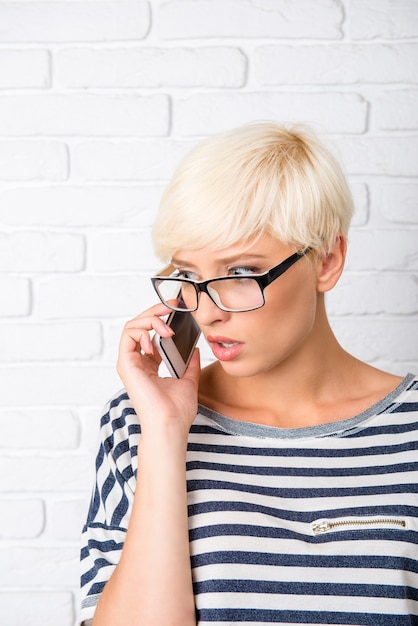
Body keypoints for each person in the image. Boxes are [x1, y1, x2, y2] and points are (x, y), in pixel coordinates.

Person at [79, 122, 418, 626]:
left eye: (239, 273)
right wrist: (167, 432)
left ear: (327, 260)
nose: (207, 313)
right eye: (189, 276)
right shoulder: (138, 422)